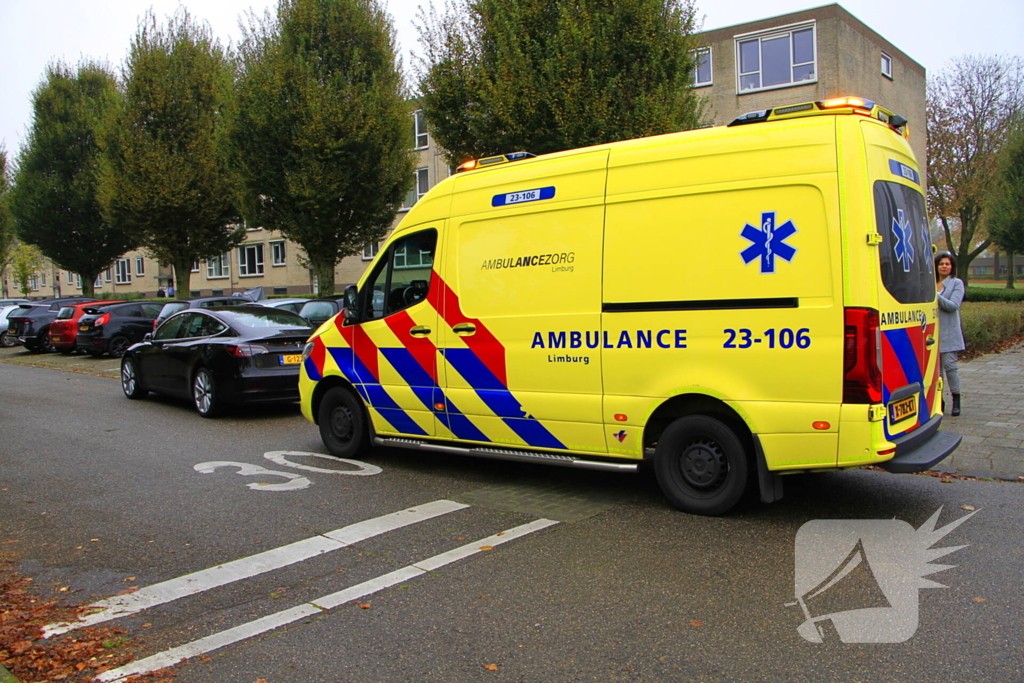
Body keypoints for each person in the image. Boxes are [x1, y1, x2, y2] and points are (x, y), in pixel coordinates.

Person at [935, 252, 965, 416]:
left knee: (950, 367)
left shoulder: (956, 283)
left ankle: (956, 400)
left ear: (952, 267)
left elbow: (953, 305)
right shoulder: (932, 283)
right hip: (932, 335)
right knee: (936, 371)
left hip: (949, 333)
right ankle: (938, 401)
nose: (944, 266)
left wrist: (936, 296)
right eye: (941, 264)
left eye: (947, 264)